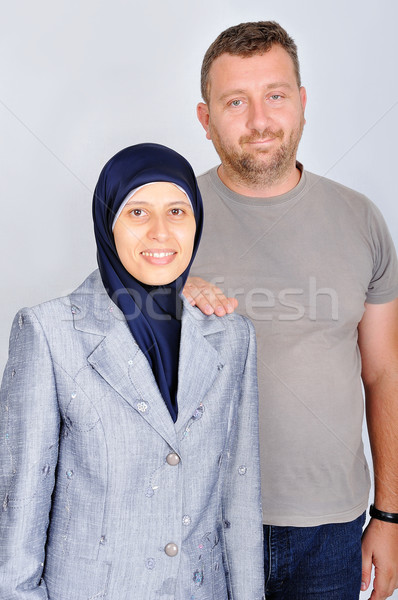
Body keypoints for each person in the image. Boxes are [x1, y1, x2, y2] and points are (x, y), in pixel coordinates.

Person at [185, 21, 398, 600]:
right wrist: (164, 295)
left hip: (331, 530)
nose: (259, 121)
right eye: (236, 102)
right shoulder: (166, 225)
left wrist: (390, 515)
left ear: (302, 104)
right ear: (205, 120)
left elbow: (383, 373)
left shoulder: (362, 221)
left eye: (275, 96)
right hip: (199, 523)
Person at [0, 143, 264, 599]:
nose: (161, 232)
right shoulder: (47, 332)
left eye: (177, 211)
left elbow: (239, 499)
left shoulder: (232, 335)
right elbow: (20, 511)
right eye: (138, 212)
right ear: (107, 224)